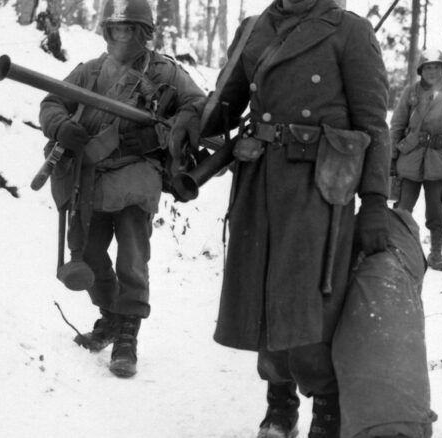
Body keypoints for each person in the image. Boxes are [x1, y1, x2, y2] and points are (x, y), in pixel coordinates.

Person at [197, 0, 391, 436]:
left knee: (313, 302)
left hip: (320, 187)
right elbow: (224, 105)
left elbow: (374, 124)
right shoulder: (254, 29)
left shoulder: (349, 31)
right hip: (259, 179)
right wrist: (190, 118)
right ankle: (280, 404)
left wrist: (376, 200)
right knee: (264, 295)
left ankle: (327, 408)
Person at [38, 0, 205, 378]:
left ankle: (128, 334)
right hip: (91, 175)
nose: (123, 36)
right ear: (107, 32)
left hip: (137, 172)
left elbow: (198, 106)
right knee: (88, 253)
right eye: (117, 29)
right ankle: (111, 316)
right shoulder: (90, 70)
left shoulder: (166, 72)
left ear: (144, 34)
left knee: (132, 257)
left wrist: (167, 129)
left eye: (130, 29)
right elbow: (52, 101)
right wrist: (61, 126)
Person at [390, 48, 442, 272]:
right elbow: (396, 126)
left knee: (436, 209)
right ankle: (398, 251)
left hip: (439, 161)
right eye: (427, 67)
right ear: (421, 70)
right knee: (403, 208)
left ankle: (435, 254)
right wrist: (391, 158)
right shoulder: (411, 93)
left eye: (436, 67)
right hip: (410, 159)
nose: (432, 71)